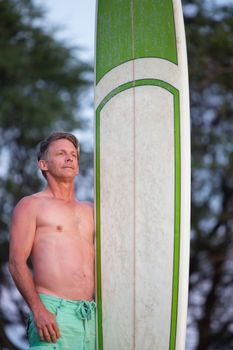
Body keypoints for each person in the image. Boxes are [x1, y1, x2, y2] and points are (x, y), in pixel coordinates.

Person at [8, 132, 96, 350]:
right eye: (61, 153)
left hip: (91, 317)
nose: (70, 158)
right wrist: (38, 310)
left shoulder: (91, 211)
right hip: (53, 314)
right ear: (43, 164)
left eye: (74, 154)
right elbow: (16, 262)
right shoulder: (31, 205)